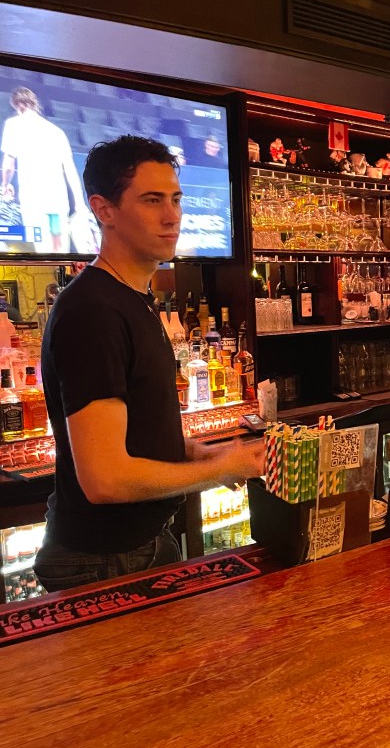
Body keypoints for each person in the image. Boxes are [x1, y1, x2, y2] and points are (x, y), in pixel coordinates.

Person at [34, 135, 265, 593]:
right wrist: (217, 470)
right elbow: (105, 479)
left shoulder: (132, 300)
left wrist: (195, 452)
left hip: (135, 547)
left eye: (176, 199)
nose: (172, 215)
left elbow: (133, 425)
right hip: (102, 561)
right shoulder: (93, 311)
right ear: (104, 210)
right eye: (152, 200)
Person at [0, 86, 90, 253]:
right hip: (57, 202)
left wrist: (5, 185)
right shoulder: (56, 132)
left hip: (34, 200)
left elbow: (8, 165)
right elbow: (70, 171)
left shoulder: (14, 125)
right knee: (57, 247)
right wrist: (79, 204)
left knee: (39, 248)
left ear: (18, 105)